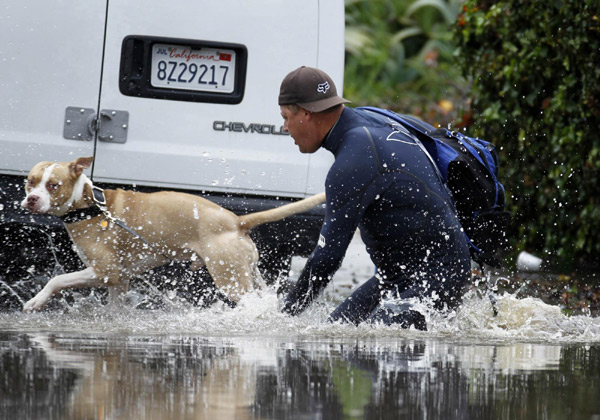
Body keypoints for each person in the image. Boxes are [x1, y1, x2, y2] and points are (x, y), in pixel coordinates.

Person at [278, 66, 471, 329]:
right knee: (338, 332)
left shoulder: (352, 162)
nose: (285, 127)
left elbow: (327, 259)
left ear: (306, 114)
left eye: (287, 117)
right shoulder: (371, 121)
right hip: (396, 276)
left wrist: (283, 319)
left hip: (436, 275)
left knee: (370, 347)